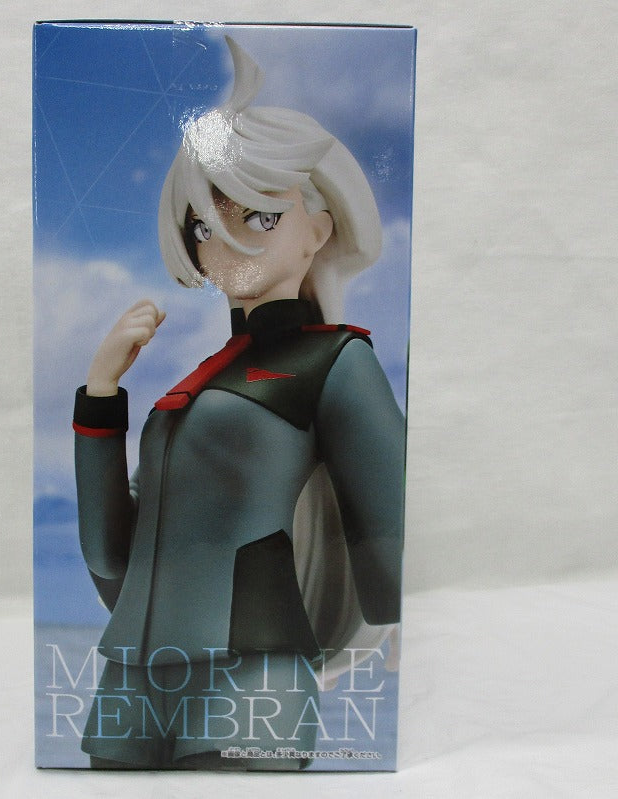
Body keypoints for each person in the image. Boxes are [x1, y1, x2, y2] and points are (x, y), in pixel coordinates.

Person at [73, 37, 405, 769]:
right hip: (133, 673)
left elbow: (389, 519)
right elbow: (110, 557)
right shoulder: (188, 394)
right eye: (203, 225)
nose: (224, 240)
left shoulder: (334, 360)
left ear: (318, 230)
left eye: (259, 216)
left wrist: (402, 625)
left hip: (254, 667)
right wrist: (100, 398)